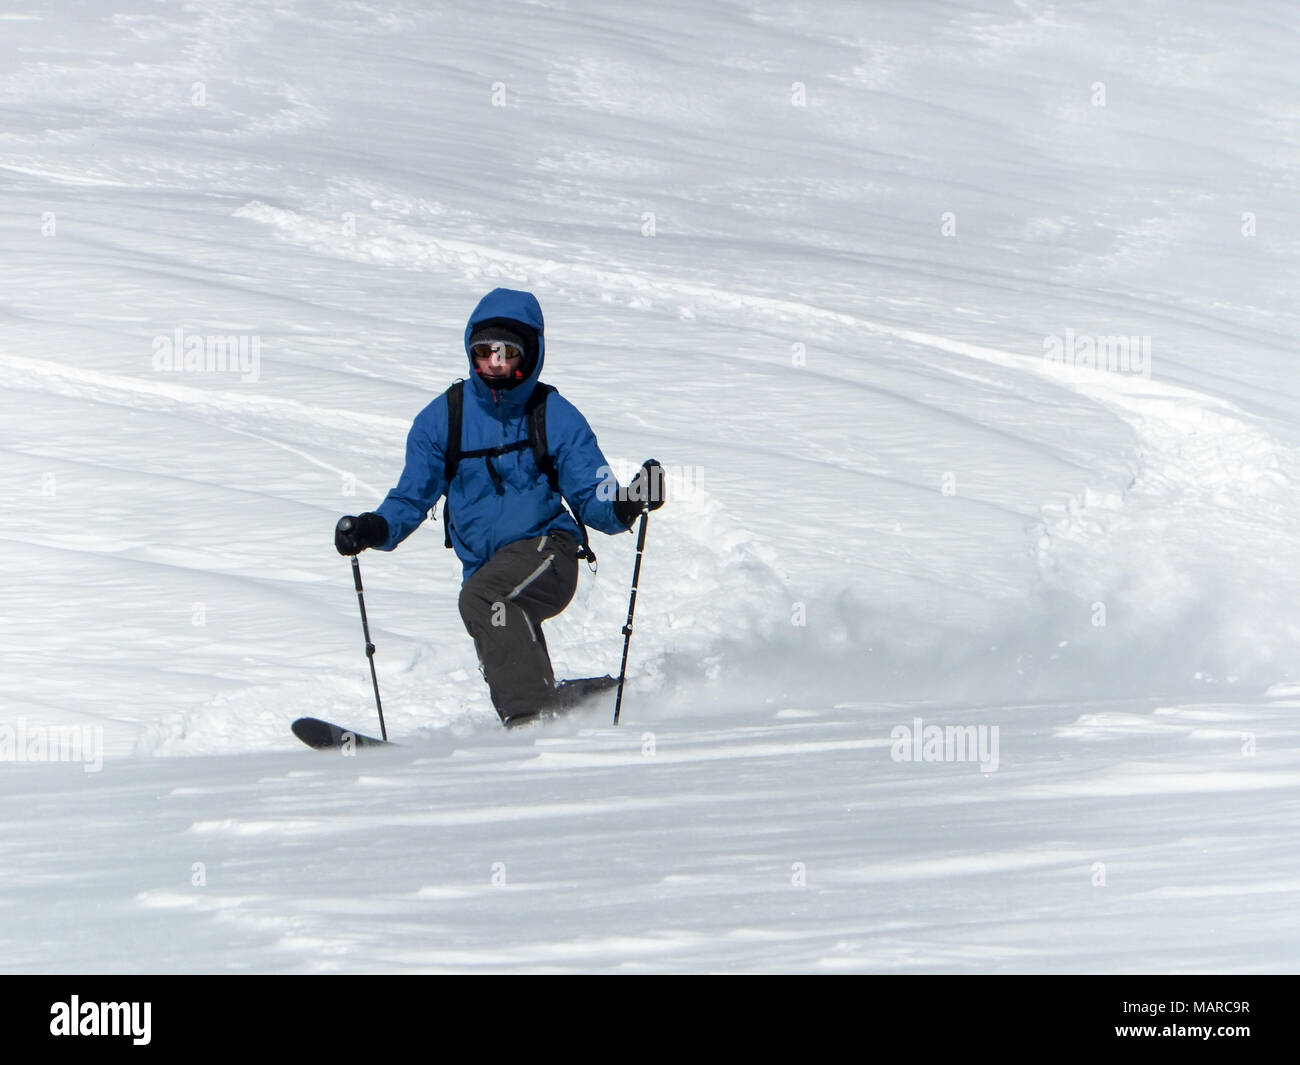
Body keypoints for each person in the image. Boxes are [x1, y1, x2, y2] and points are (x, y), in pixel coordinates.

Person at [334, 287, 664, 726]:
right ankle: (575, 705)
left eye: (506, 352)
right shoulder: (442, 418)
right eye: (483, 351)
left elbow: (592, 495)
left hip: (549, 553)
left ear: (528, 355)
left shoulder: (553, 414)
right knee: (493, 610)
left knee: (482, 598)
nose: (494, 361)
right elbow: (411, 497)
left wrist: (629, 502)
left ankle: (529, 722)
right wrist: (374, 528)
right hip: (489, 570)